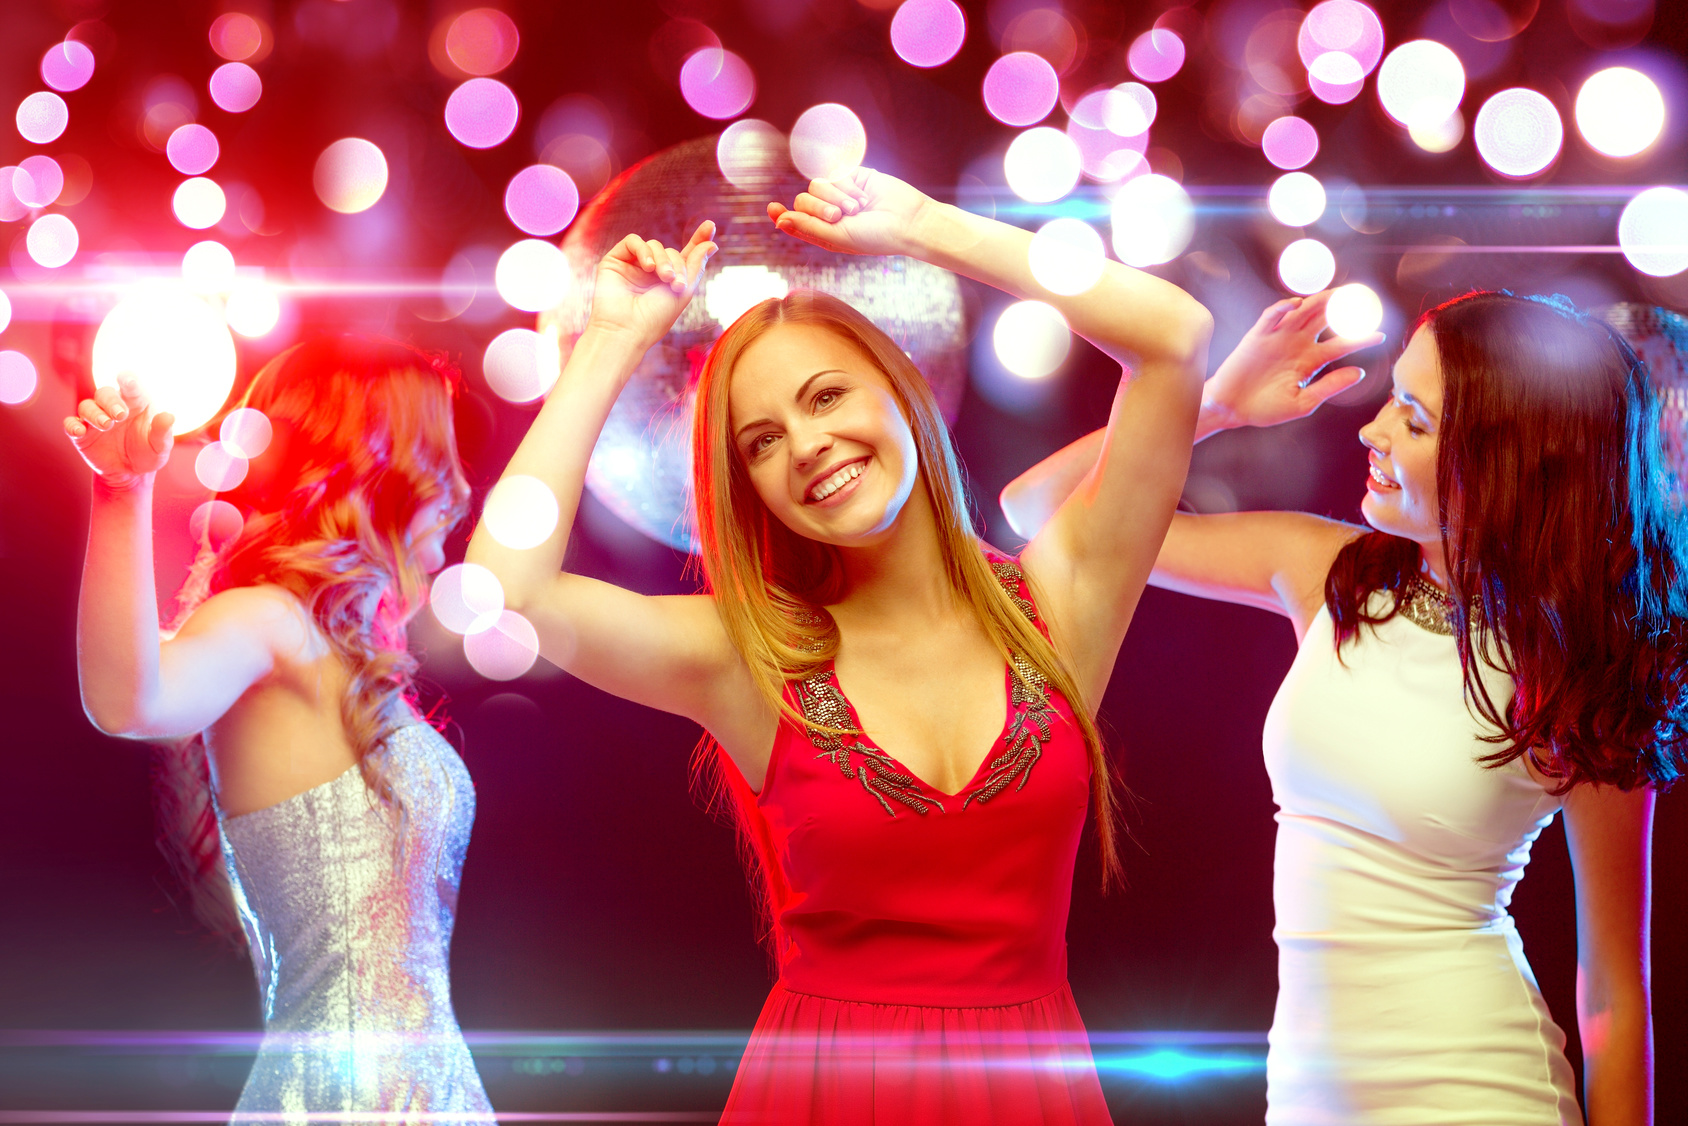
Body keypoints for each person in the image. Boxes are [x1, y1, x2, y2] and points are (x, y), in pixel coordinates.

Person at [466, 168, 1213, 1122]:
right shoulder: (743, 659)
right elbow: (506, 587)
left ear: (901, 390)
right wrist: (612, 340)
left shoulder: (1064, 603)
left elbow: (1176, 339)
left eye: (826, 398)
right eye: (761, 443)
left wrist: (927, 229)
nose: (806, 445)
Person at [1000, 289, 1687, 1125]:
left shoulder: (1581, 666)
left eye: (1415, 420)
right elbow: (1040, 513)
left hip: (1481, 1094)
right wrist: (1212, 406)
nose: (1372, 432)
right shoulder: (1331, 575)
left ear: (1507, 460)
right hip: (1306, 1096)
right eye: (1391, 399)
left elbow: (1614, 989)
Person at [66, 337, 494, 1124]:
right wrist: (122, 492)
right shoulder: (270, 620)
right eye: (438, 453)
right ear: (376, 465)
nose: (463, 487)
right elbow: (129, 702)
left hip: (430, 1099)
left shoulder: (349, 656)